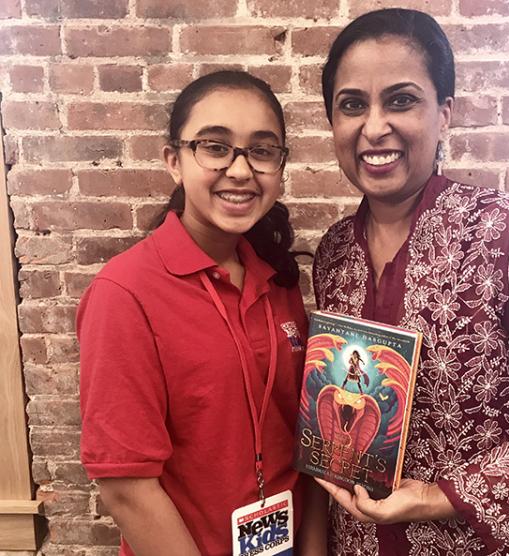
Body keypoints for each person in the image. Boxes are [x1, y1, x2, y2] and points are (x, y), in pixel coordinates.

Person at [311, 8, 509, 556]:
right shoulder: (332, 255)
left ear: (444, 113)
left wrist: (437, 496)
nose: (374, 127)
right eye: (352, 105)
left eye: (401, 100)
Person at [78, 71, 325, 556]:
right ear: (175, 161)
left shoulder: (277, 282)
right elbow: (125, 486)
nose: (239, 170)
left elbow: (307, 446)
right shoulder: (125, 293)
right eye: (215, 146)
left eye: (262, 150)